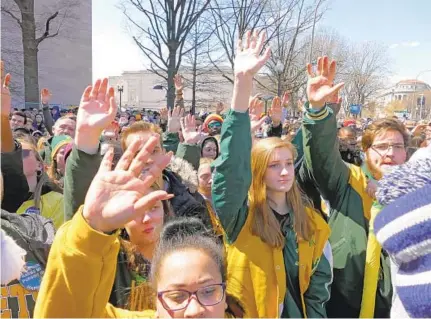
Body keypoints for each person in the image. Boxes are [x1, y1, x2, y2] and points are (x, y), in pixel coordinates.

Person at [34, 136, 243, 318]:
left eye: (208, 291)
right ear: (156, 299)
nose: (194, 310)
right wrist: (92, 228)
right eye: (177, 296)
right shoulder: (112, 257)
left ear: (225, 296)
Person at [212, 30, 332, 318]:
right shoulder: (240, 216)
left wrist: (316, 109)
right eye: (274, 165)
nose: (284, 172)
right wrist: (242, 83)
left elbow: (318, 291)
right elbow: (231, 169)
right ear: (258, 170)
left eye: (289, 163)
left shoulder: (312, 223)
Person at [302, 56, 409, 317]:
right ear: (366, 151)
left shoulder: (419, 196)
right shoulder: (348, 180)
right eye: (381, 146)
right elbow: (321, 158)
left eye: (397, 147)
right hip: (343, 306)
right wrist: (317, 111)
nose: (389, 154)